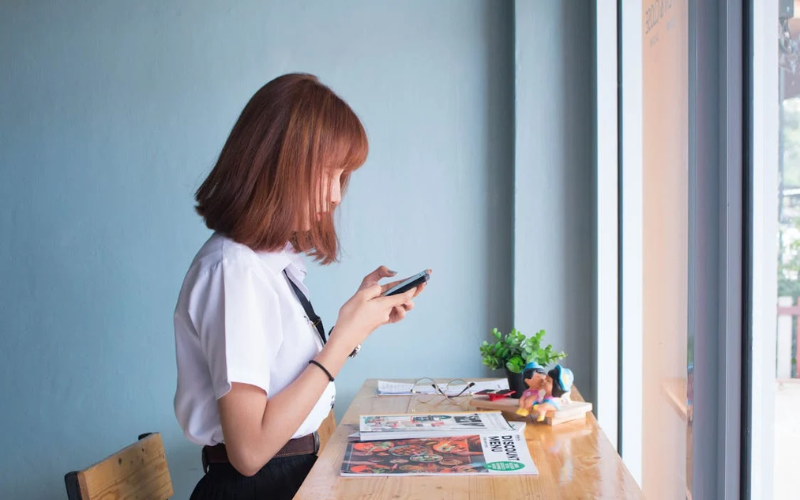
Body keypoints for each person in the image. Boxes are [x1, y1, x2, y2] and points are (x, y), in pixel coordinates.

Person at [172, 73, 428, 500]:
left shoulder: (269, 263)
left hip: (290, 477)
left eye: (342, 177)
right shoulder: (233, 271)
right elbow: (250, 451)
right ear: (276, 164)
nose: (335, 197)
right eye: (328, 174)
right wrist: (343, 339)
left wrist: (355, 327)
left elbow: (287, 385)